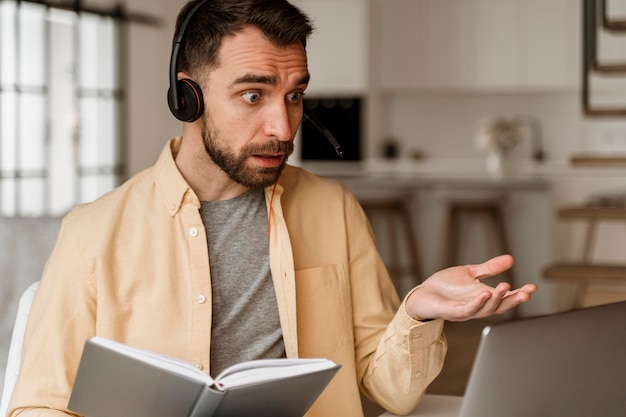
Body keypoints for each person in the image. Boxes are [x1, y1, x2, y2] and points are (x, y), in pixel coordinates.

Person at [7, 1, 537, 416]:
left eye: (294, 95)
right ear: (187, 98)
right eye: (254, 96)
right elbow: (37, 405)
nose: (283, 129)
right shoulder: (92, 234)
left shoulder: (333, 209)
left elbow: (390, 392)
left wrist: (418, 311)